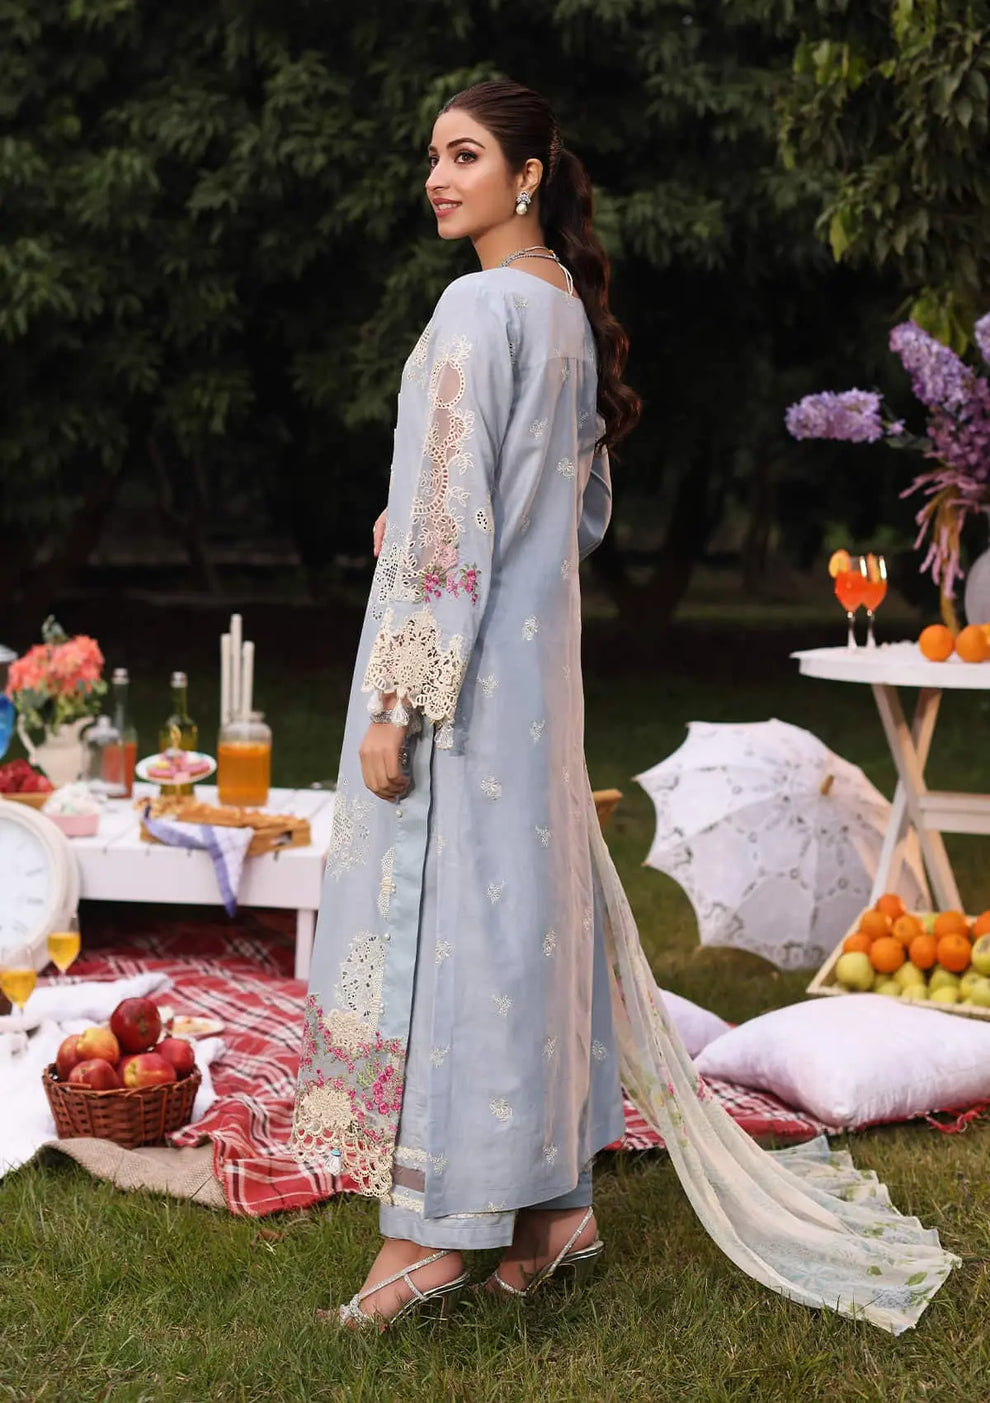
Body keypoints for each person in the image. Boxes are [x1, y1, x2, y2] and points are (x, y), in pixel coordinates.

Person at [293, 78, 960, 1336]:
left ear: (527, 174)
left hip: (461, 683)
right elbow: (573, 511)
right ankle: (555, 1214)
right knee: (528, 933)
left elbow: (452, 523)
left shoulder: (476, 306)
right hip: (538, 685)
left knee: (454, 935)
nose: (437, 177)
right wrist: (429, 517)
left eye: (465, 154)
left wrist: (396, 700)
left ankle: (425, 1234)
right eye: (432, 155)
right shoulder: (561, 312)